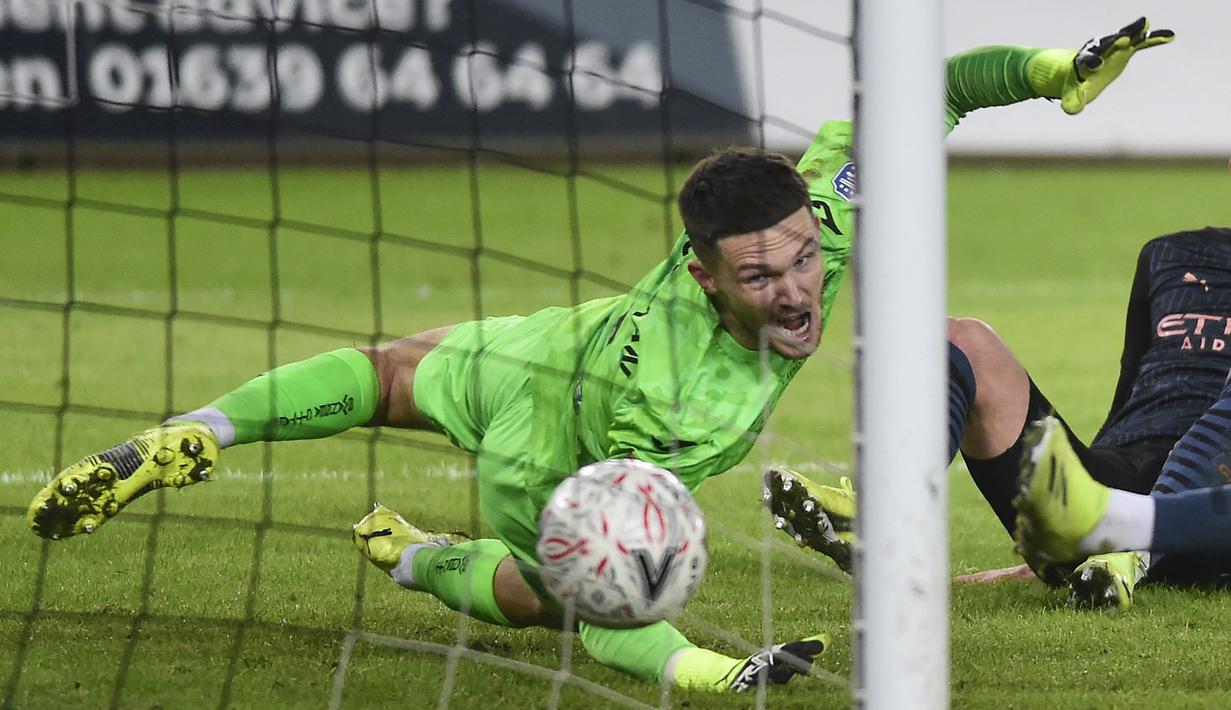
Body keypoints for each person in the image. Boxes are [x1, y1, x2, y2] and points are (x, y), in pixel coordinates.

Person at [26, 19, 1168, 692]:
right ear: (705, 276)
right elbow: (622, 591)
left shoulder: (817, 211)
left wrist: (1052, 75)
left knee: (383, 373)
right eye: (758, 280)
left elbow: (928, 92)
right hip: (551, 436)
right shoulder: (670, 405)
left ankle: (205, 435)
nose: (793, 292)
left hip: (549, 335)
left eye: (798, 262)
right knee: (554, 595)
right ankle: (418, 559)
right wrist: (713, 670)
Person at [767, 18, 1190, 611]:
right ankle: (881, 516)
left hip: (1210, 498)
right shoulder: (1175, 255)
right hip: (1115, 479)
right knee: (960, 339)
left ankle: (1129, 552)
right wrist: (1088, 495)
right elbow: (1134, 388)